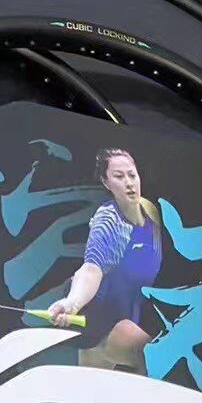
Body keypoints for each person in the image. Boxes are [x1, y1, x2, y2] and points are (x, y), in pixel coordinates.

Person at [47, 148, 162, 370]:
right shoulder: (109, 221)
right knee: (156, 358)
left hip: (128, 316)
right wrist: (72, 303)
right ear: (106, 183)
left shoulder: (150, 212)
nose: (129, 183)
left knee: (91, 390)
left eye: (132, 174)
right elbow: (91, 269)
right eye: (119, 176)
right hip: (98, 319)